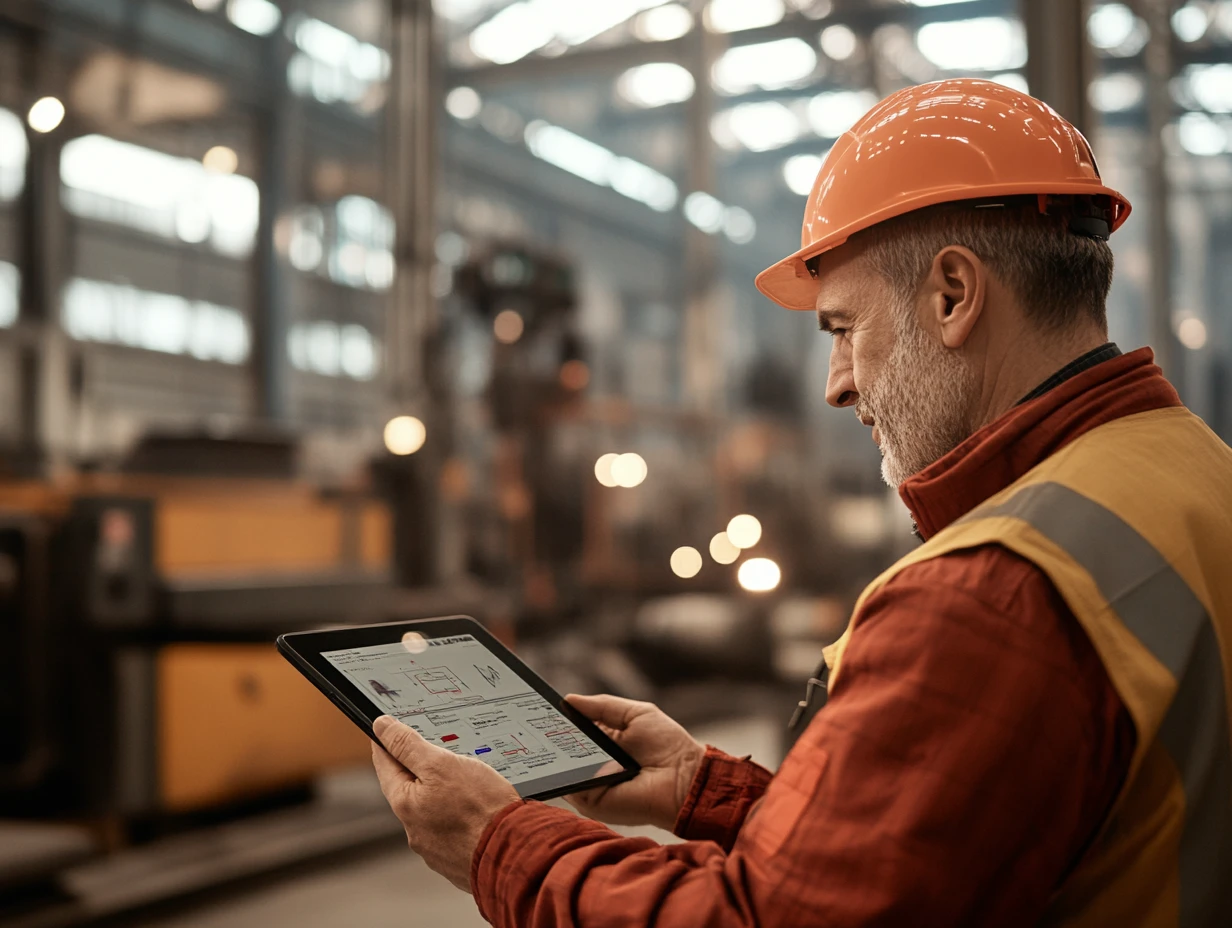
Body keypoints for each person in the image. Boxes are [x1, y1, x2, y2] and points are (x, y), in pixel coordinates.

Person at [369, 79, 1232, 927]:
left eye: (843, 328)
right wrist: (705, 792)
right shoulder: (1193, 473)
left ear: (954, 296)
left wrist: (498, 842)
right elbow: (943, 853)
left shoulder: (993, 593)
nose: (836, 386)